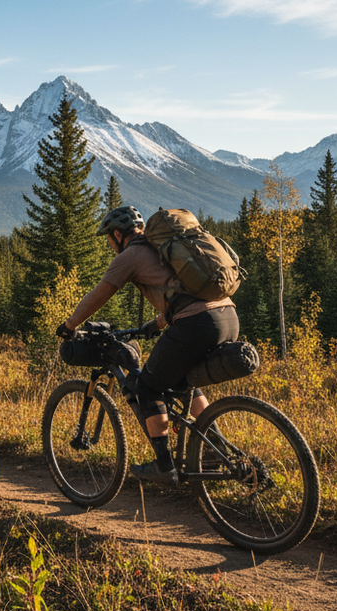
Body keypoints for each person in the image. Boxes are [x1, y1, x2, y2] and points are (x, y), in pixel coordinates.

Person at [56, 205, 238, 485]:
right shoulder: (164, 248)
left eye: (108, 237)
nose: (108, 243)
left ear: (118, 234)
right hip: (226, 315)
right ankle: (215, 450)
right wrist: (155, 325)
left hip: (196, 323)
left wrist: (70, 326)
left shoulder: (131, 255)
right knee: (183, 381)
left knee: (146, 385)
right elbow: (183, 291)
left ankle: (164, 466)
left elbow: (100, 294)